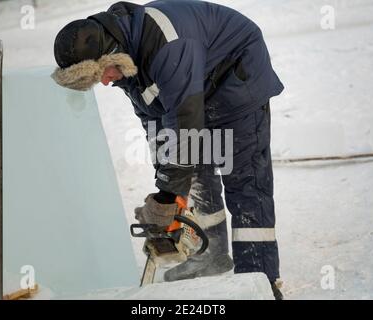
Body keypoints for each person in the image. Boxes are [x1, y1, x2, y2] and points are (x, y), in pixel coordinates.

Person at [52, 0, 284, 299]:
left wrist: (168, 194)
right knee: (195, 171)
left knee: (244, 182)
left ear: (109, 54)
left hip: (236, 77)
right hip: (197, 87)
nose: (107, 83)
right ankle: (210, 255)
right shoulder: (128, 59)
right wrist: (167, 191)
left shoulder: (165, 42)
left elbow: (185, 123)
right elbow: (156, 123)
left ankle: (261, 280)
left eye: (102, 74)